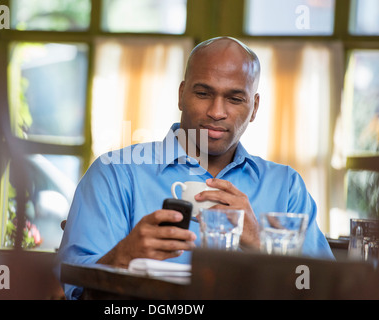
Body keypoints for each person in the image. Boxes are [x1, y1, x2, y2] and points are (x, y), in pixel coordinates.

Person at [57, 36, 334, 300]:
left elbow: (328, 290)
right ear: (181, 95)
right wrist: (122, 257)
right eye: (203, 93)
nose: (216, 111)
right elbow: (77, 291)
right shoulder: (115, 174)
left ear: (254, 107)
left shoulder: (286, 187)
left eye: (235, 99)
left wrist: (261, 243)